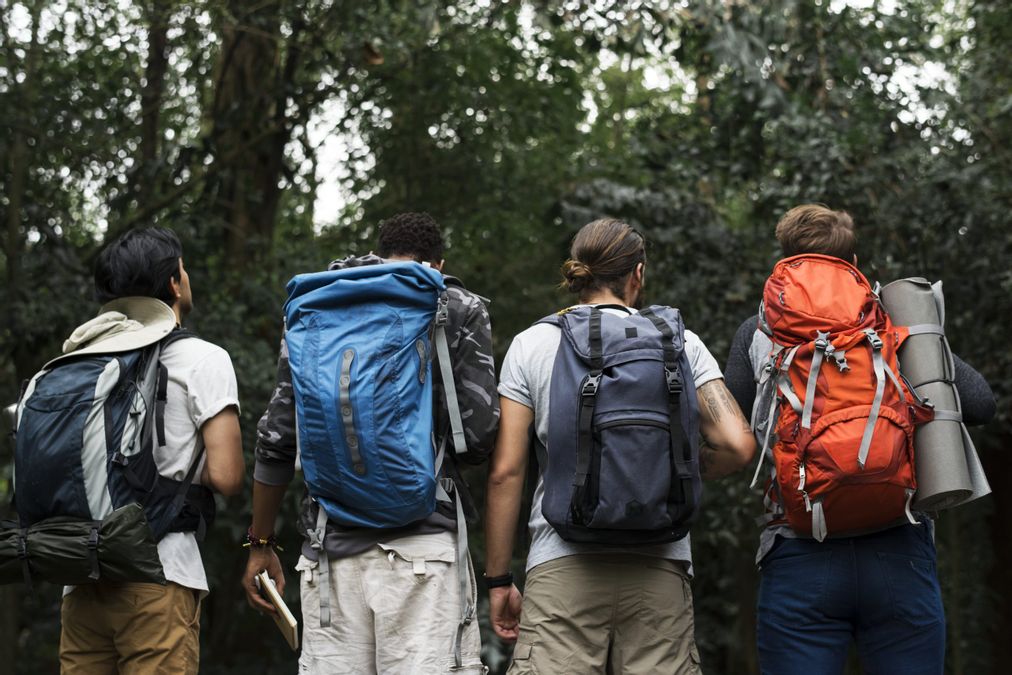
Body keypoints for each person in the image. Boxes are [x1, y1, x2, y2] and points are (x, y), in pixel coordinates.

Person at [723, 204, 997, 675]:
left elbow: (730, 435)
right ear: (853, 261)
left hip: (800, 549)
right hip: (898, 547)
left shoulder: (759, 332)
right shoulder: (892, 322)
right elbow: (981, 404)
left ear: (786, 259)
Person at [485, 218, 756, 674]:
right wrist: (679, 466)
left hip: (561, 564)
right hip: (660, 565)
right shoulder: (680, 344)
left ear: (578, 274)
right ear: (638, 274)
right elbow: (739, 445)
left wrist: (498, 580)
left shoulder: (533, 344)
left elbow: (506, 471)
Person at [243, 212, 499, 674]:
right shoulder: (456, 305)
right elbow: (477, 438)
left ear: (380, 254)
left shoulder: (319, 305)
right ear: (438, 264)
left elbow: (277, 436)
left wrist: (260, 543)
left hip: (330, 548)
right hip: (424, 551)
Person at [59, 227, 245, 674]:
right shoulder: (203, 358)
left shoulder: (80, 359)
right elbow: (226, 477)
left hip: (80, 575)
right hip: (159, 574)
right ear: (174, 285)